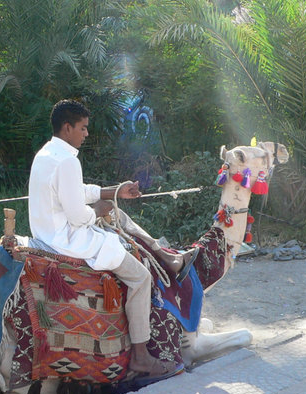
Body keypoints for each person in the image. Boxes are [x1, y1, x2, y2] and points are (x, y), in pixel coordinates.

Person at [28, 99, 197, 378]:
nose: (86, 134)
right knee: (141, 278)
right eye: (82, 128)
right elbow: (77, 216)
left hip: (48, 233)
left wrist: (115, 192)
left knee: (117, 214)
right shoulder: (68, 160)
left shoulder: (46, 154)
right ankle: (142, 356)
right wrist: (97, 212)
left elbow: (78, 191)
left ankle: (165, 256)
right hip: (66, 239)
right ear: (68, 127)